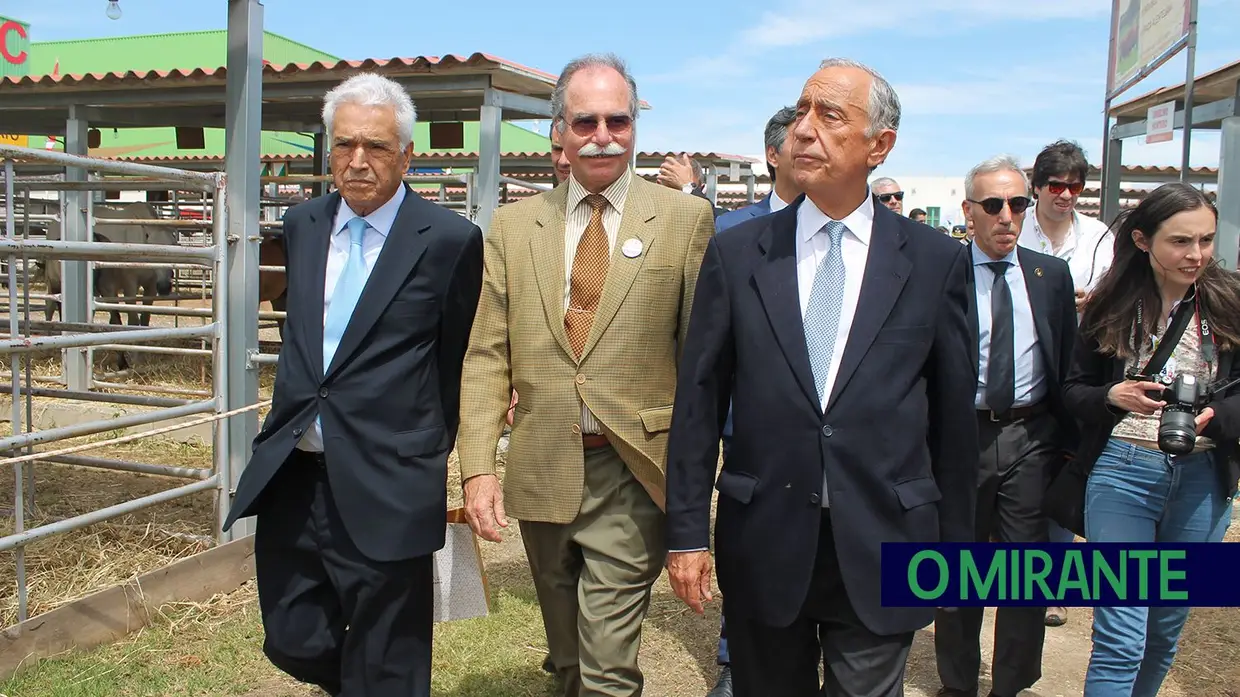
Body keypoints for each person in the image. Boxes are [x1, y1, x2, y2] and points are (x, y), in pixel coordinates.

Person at [664, 57, 979, 697]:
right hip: (767, 535)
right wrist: (687, 532)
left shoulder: (935, 261)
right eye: (802, 111)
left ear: (879, 145)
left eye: (830, 116)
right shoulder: (738, 252)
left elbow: (952, 425)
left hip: (887, 539)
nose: (804, 130)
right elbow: (700, 398)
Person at [456, 52, 715, 697]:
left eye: (618, 121)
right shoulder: (515, 227)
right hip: (543, 465)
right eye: (586, 121)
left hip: (633, 467)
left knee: (606, 667)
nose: (603, 135)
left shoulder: (684, 221)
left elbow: (702, 363)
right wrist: (478, 467)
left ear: (634, 128)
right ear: (561, 133)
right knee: (568, 657)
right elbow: (487, 353)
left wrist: (693, 485)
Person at [221, 72, 484, 697]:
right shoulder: (304, 224)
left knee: (389, 650)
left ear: (407, 155)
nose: (358, 162)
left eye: (377, 147)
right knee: (291, 634)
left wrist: (426, 451)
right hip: (296, 471)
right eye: (344, 146)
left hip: (388, 475)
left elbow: (458, 363)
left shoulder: (449, 241)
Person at [1062, 182, 1240, 696]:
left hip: (1203, 482)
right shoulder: (1107, 307)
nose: (1196, 255)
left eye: (1205, 241)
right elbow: (1073, 391)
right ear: (1143, 240)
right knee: (1121, 635)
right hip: (1121, 474)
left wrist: (1216, 415)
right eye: (1180, 241)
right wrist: (1113, 395)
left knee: (1163, 630)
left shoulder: (1229, 303)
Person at [933, 156, 1077, 697]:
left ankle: (1011, 684)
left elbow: (1066, 358)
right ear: (968, 211)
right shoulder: (941, 275)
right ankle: (958, 683)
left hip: (1029, 437)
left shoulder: (1050, 276)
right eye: (993, 205)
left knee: (1025, 573)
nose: (1007, 217)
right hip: (961, 438)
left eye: (1017, 204)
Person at [706, 103, 801, 697]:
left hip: (821, 425)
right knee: (746, 539)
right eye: (800, 141)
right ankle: (734, 657)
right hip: (746, 425)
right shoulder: (728, 232)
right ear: (773, 155)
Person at [1019, 141, 1116, 627]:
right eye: (1056, 186)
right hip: (1026, 366)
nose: (1066, 195)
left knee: (1065, 470)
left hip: (1077, 366)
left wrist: (1091, 303)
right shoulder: (1015, 226)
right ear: (1037, 187)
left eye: (1075, 187)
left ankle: (1052, 586)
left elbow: (1116, 293)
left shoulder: (1098, 236)